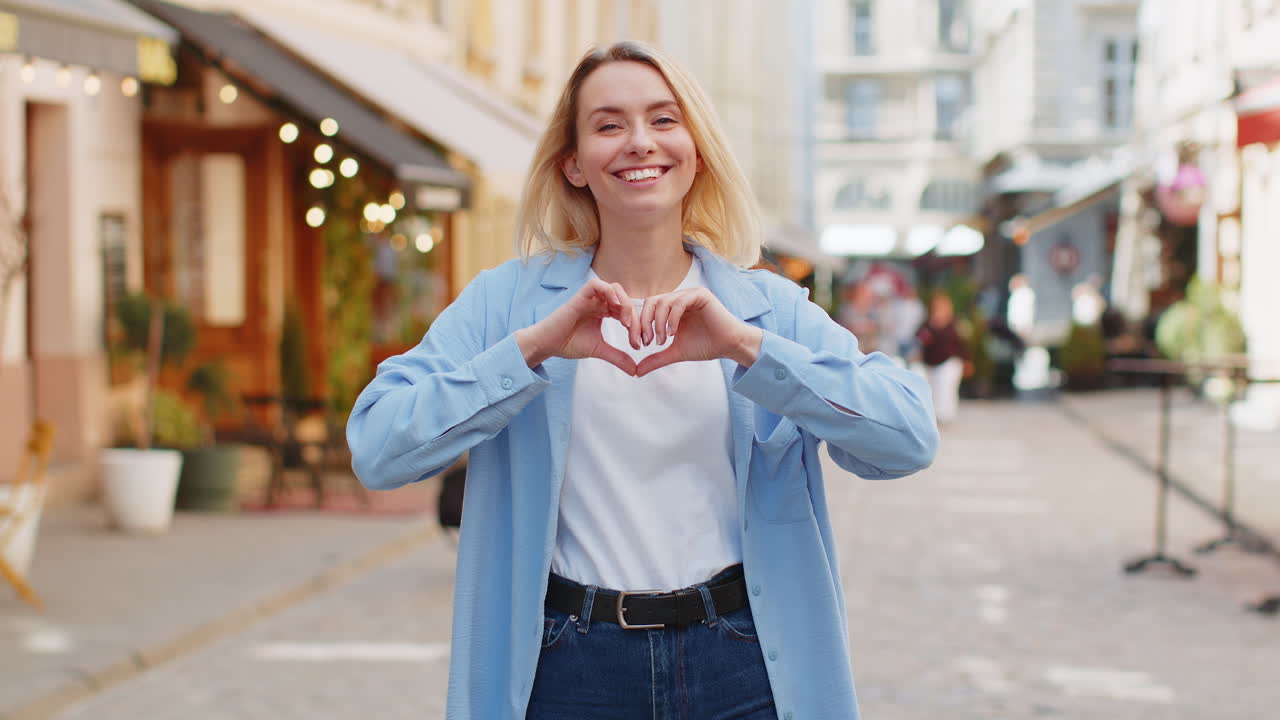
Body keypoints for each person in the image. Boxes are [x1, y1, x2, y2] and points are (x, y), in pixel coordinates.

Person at [347, 41, 938, 719]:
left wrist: (748, 349)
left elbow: (908, 437)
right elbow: (378, 446)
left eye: (663, 120)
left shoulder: (765, 310)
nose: (639, 143)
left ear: (696, 148)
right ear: (572, 163)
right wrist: (530, 353)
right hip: (569, 665)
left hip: (743, 661)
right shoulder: (506, 305)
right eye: (607, 124)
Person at [915, 291, 971, 424]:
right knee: (932, 391)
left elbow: (962, 344)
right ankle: (932, 416)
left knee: (946, 389)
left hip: (949, 362)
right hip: (930, 363)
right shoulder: (926, 325)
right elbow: (919, 340)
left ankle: (945, 415)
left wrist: (967, 362)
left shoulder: (955, 324)